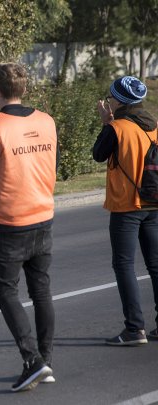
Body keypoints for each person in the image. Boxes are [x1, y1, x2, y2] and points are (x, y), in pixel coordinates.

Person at [0, 63, 57, 392]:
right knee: (42, 292)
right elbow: (52, 164)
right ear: (23, 88)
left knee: (6, 293)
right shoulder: (46, 121)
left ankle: (33, 360)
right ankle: (45, 359)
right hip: (43, 217)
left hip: (10, 223)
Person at [93, 75, 158, 346]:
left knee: (124, 265)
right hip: (154, 203)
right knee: (155, 265)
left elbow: (98, 154)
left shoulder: (117, 128)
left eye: (111, 98)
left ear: (118, 101)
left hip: (126, 205)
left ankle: (134, 329)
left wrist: (107, 123)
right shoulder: (154, 126)